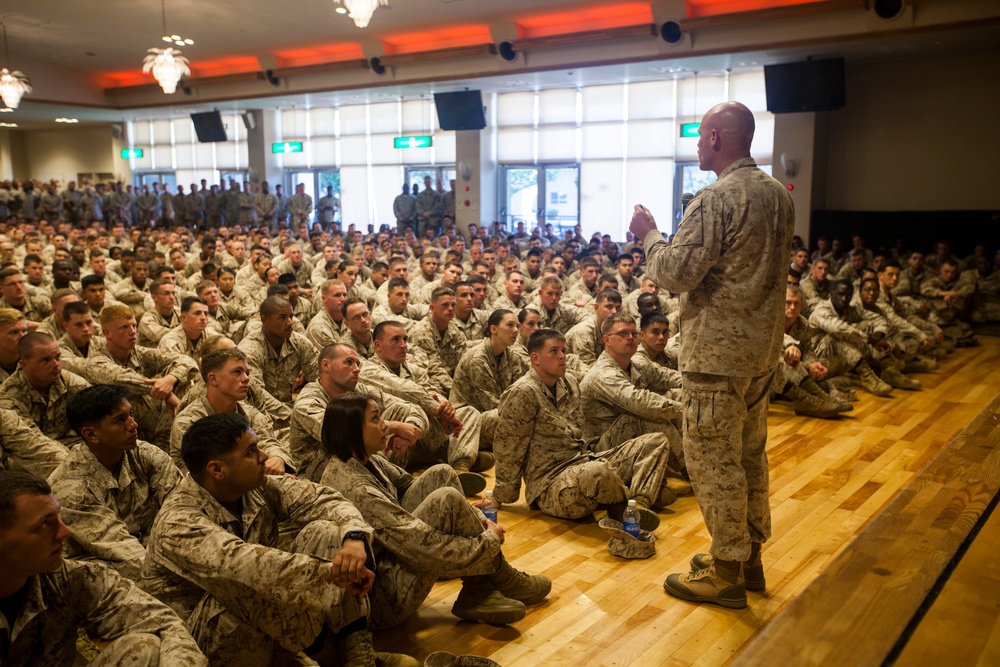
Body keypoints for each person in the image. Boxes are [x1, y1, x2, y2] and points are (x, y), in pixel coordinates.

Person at [629, 101, 795, 608]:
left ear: (719, 139)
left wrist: (649, 235)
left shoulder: (715, 199)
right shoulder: (777, 196)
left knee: (713, 463)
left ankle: (726, 573)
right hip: (760, 355)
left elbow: (676, 273)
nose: (698, 144)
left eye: (701, 136)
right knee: (748, 458)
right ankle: (749, 559)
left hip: (716, 359)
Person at [141, 413, 417, 667]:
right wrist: (333, 571)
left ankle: (355, 654)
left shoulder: (251, 486)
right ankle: (331, 658)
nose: (265, 456)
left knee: (327, 532)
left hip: (261, 627)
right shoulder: (178, 520)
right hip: (200, 643)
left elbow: (324, 498)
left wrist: (354, 539)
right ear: (216, 469)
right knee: (259, 584)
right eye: (251, 452)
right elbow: (245, 567)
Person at [319, 393, 550, 628]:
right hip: (383, 597)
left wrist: (471, 514)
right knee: (446, 498)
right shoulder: (355, 486)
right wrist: (488, 542)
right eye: (376, 419)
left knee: (443, 474)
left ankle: (480, 588)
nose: (385, 425)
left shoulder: (364, 458)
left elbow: (410, 486)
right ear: (352, 430)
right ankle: (495, 577)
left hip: (395, 556)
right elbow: (420, 542)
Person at [0, 470, 207, 665]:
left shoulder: (67, 578)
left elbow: (164, 623)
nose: (65, 532)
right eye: (44, 524)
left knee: (145, 649)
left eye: (58, 518)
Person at [494, 329, 674, 528]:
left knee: (655, 441)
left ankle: (638, 503)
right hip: (550, 482)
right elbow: (509, 447)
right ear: (535, 358)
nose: (562, 356)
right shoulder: (523, 392)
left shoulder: (569, 382)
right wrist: (499, 496)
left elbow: (580, 434)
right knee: (598, 472)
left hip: (583, 460)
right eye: (554, 351)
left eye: (563, 350)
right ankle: (629, 495)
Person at [48, 384, 183, 580]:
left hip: (154, 552)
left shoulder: (144, 454)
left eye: (131, 415)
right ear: (91, 434)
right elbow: (126, 554)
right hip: (104, 567)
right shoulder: (71, 488)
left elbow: (183, 509)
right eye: (120, 420)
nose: (133, 424)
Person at [291, 343, 424, 482]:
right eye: (349, 362)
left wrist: (411, 428)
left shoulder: (356, 390)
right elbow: (339, 434)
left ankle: (390, 484)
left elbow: (412, 408)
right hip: (317, 477)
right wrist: (394, 427)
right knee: (347, 444)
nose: (357, 369)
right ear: (326, 366)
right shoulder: (308, 401)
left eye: (357, 364)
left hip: (362, 464)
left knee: (400, 410)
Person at [169, 347, 293, 475]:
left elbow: (268, 441)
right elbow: (204, 477)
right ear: (213, 379)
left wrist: (277, 457)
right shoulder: (189, 423)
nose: (246, 379)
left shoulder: (250, 413)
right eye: (237, 372)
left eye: (247, 373)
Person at [450, 309, 527, 447]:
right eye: (510, 325)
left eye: (517, 326)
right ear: (493, 329)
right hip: (468, 420)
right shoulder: (478, 358)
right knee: (502, 418)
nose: (515, 330)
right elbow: (491, 403)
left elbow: (519, 393)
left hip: (497, 412)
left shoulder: (512, 356)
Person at [0, 331, 90, 446]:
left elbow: (99, 410)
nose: (56, 364)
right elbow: (28, 442)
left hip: (68, 444)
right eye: (45, 360)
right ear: (23, 364)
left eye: (57, 357)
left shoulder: (68, 381)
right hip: (30, 453)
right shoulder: (8, 398)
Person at [238, 296, 320, 404]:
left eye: (291, 316)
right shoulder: (250, 350)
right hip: (259, 411)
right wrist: (290, 415)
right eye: (282, 317)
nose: (290, 322)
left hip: (288, 406)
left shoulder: (299, 342)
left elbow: (321, 378)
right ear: (264, 320)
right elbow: (256, 396)